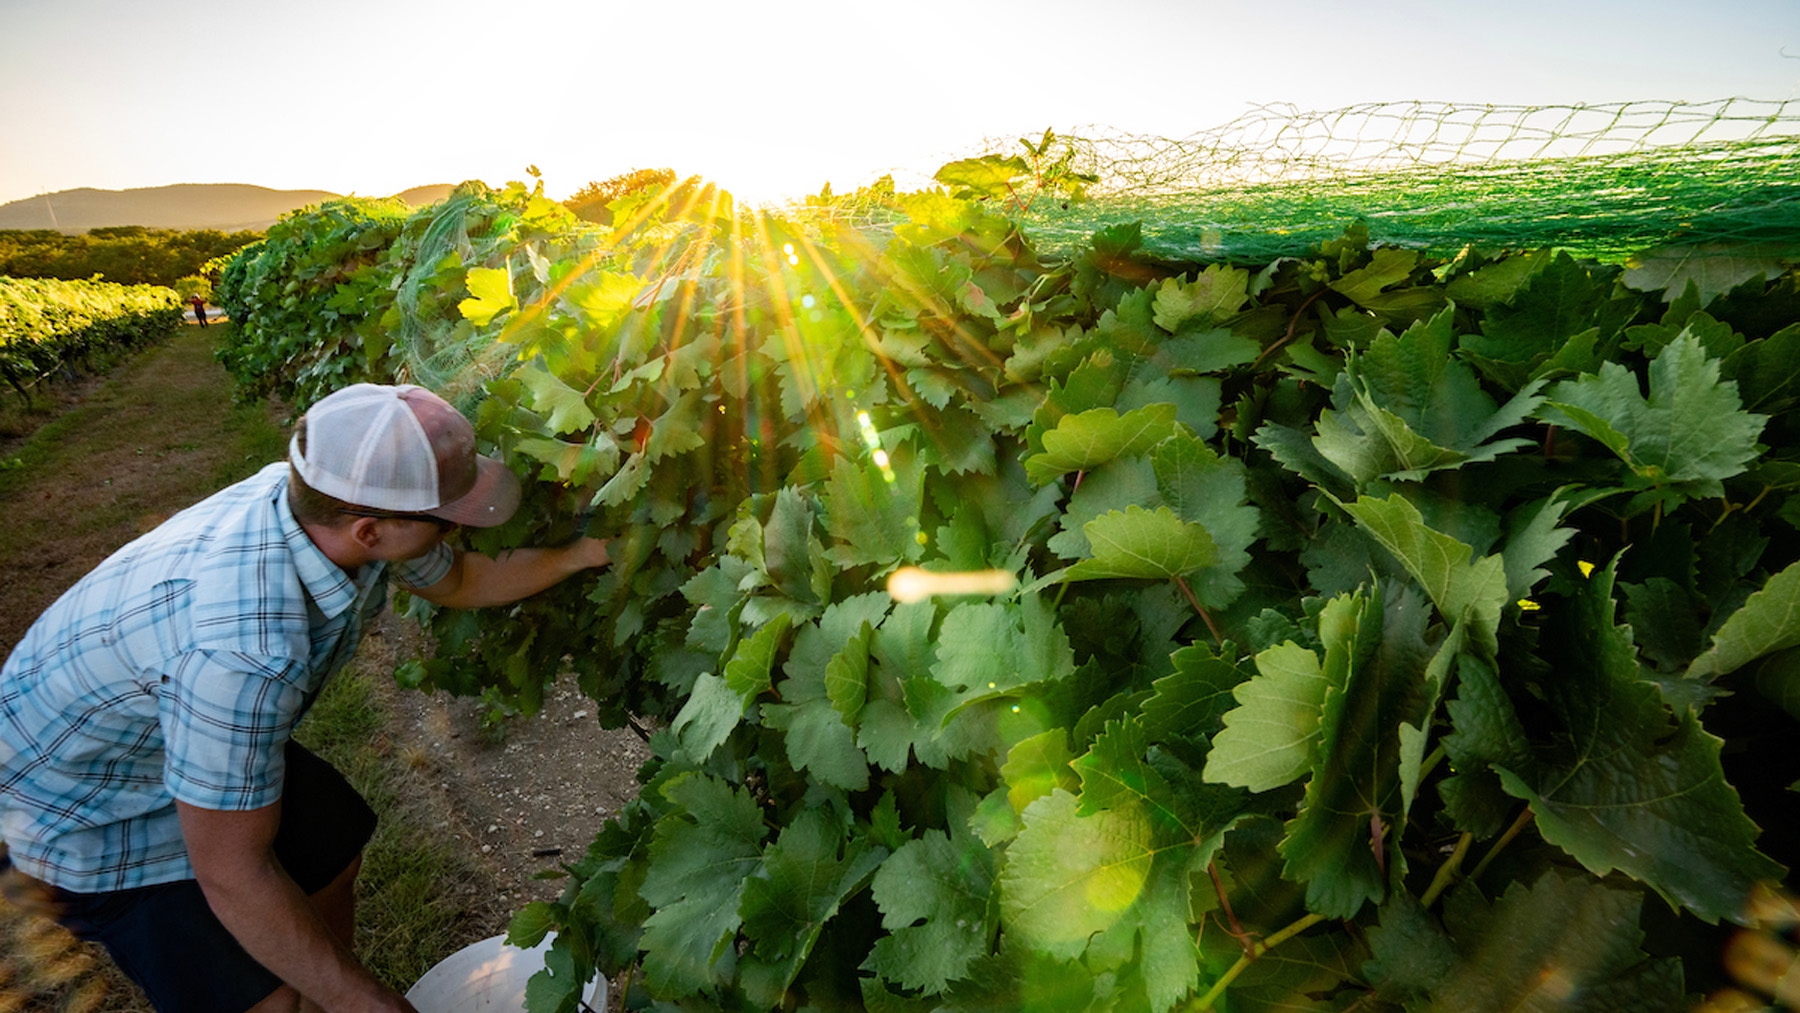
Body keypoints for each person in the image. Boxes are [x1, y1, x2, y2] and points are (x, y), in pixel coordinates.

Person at [0, 383, 611, 1013]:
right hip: (83, 813)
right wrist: (368, 1003)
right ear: (371, 531)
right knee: (270, 1002)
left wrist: (580, 554)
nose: (457, 529)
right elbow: (232, 874)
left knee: (332, 851)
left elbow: (457, 577)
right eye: (445, 518)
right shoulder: (247, 652)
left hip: (163, 739)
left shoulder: (323, 504)